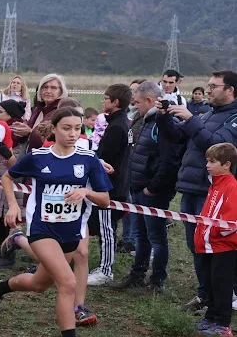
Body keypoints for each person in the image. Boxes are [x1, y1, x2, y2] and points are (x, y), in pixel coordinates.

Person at [0, 107, 112, 337]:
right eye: (66, 128)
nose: (72, 133)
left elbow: (106, 199)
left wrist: (85, 193)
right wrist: (12, 206)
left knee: (39, 283)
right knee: (67, 283)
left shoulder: (88, 159)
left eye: (78, 128)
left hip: (70, 232)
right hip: (42, 229)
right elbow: (8, 177)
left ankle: (0, 288)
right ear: (53, 129)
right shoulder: (39, 157)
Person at [168, 70, 237, 314]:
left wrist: (190, 119)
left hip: (213, 192)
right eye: (208, 85)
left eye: (214, 86)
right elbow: (181, 139)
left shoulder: (234, 119)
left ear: (230, 90)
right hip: (191, 188)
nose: (208, 90)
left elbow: (216, 147)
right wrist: (166, 118)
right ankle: (205, 294)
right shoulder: (208, 113)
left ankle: (223, 298)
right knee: (195, 245)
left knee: (216, 248)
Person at [114, 81, 182, 291]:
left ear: (150, 100)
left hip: (153, 191)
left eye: (137, 102)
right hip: (138, 187)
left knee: (156, 237)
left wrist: (152, 187)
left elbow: (169, 160)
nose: (134, 106)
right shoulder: (145, 120)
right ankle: (137, 274)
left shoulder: (162, 124)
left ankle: (157, 281)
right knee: (141, 236)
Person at [86, 85, 133, 286]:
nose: (103, 102)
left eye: (106, 99)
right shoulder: (120, 123)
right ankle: (104, 266)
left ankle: (106, 270)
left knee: (107, 229)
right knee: (104, 227)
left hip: (111, 187)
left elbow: (104, 157)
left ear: (115, 102)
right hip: (115, 184)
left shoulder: (116, 127)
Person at [194, 143, 237, 337]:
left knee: (222, 284)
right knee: (210, 282)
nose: (207, 165)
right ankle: (211, 317)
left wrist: (213, 234)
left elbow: (230, 221)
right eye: (207, 161)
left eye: (212, 161)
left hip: (223, 248)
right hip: (208, 246)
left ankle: (223, 323)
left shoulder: (231, 186)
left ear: (227, 164)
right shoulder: (215, 184)